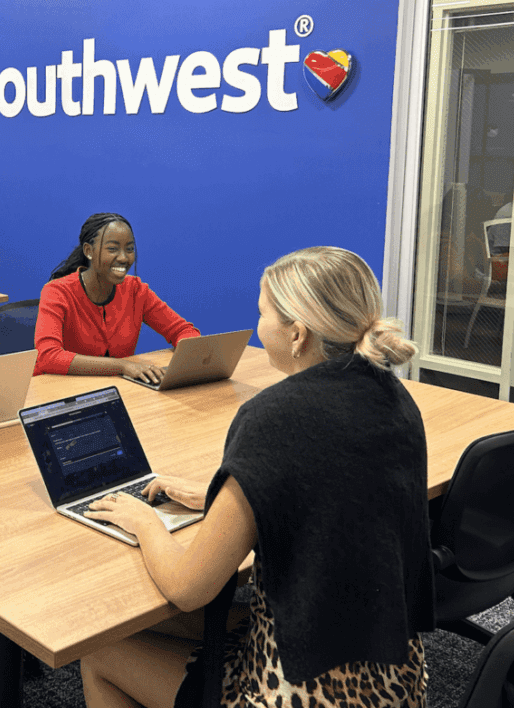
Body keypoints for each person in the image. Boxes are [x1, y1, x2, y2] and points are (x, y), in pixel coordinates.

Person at [80, 246, 434, 708]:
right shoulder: (393, 397)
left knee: (100, 651)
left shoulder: (272, 417)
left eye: (262, 312)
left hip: (298, 691)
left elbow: (189, 588)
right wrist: (226, 497)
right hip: (394, 677)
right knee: (154, 623)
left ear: (297, 334)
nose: (258, 324)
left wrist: (143, 521)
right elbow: (331, 490)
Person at [33, 212, 200, 381]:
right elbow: (48, 357)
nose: (124, 258)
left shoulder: (136, 290)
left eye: (129, 249)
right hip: (58, 392)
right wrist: (123, 366)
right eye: (112, 249)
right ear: (89, 251)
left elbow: (184, 331)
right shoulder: (56, 292)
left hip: (117, 391)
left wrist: (183, 365)